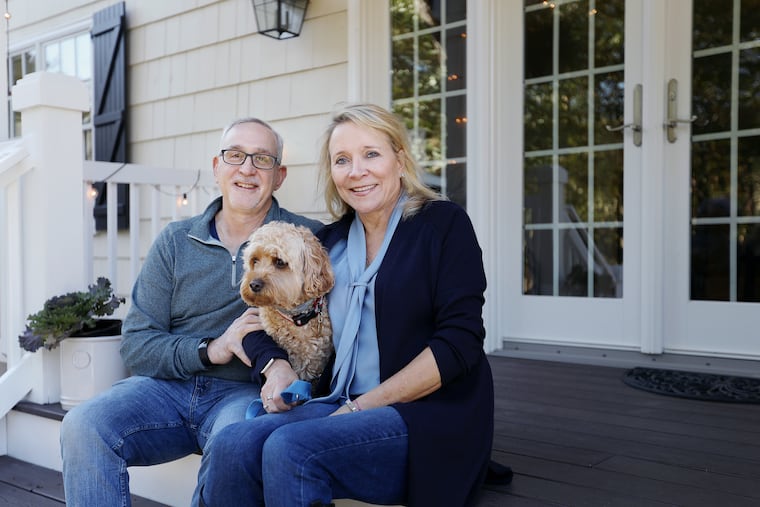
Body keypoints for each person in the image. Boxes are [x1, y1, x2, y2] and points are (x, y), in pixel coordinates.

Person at [197, 103, 494, 507]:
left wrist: (359, 408)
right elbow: (260, 317)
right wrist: (277, 367)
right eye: (342, 160)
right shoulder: (329, 242)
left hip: (423, 417)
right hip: (337, 403)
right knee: (233, 441)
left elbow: (460, 344)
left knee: (290, 447)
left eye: (371, 154)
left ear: (400, 160)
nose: (357, 171)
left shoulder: (443, 225)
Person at [59, 117, 323, 506]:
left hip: (245, 392)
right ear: (217, 167)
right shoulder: (175, 241)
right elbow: (136, 344)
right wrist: (208, 350)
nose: (247, 168)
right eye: (235, 156)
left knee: (235, 442)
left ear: (279, 175)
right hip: (166, 388)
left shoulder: (305, 239)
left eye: (262, 159)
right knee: (83, 425)